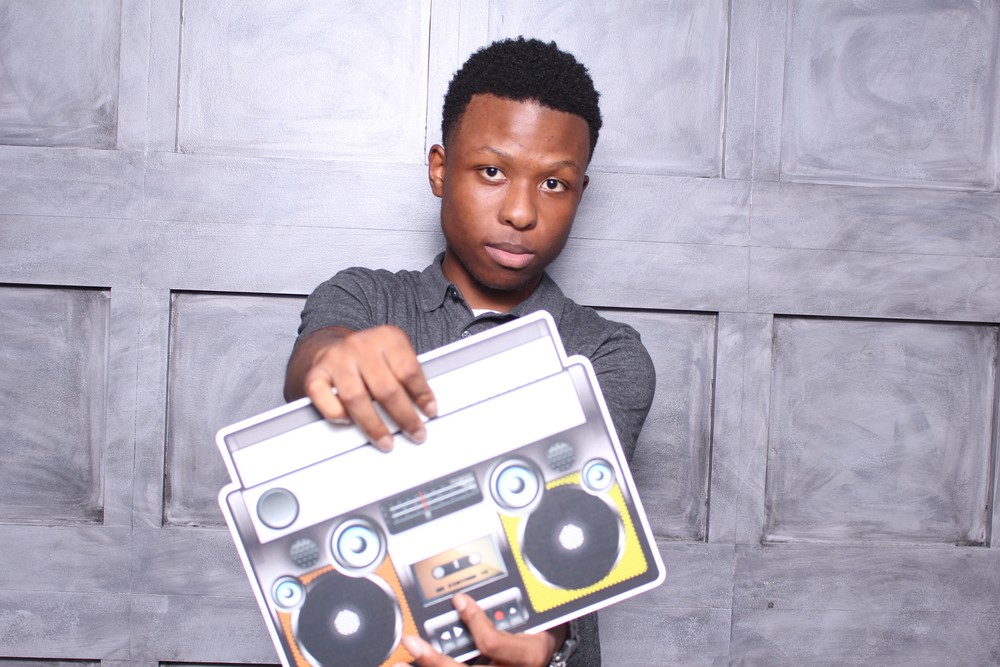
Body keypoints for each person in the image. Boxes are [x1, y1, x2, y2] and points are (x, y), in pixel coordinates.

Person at [284, 36, 655, 667]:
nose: (520, 212)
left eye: (554, 183)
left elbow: (570, 534)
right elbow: (315, 361)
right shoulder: (362, 298)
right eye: (491, 172)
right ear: (439, 169)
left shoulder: (606, 355)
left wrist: (544, 643)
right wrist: (333, 360)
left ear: (580, 192)